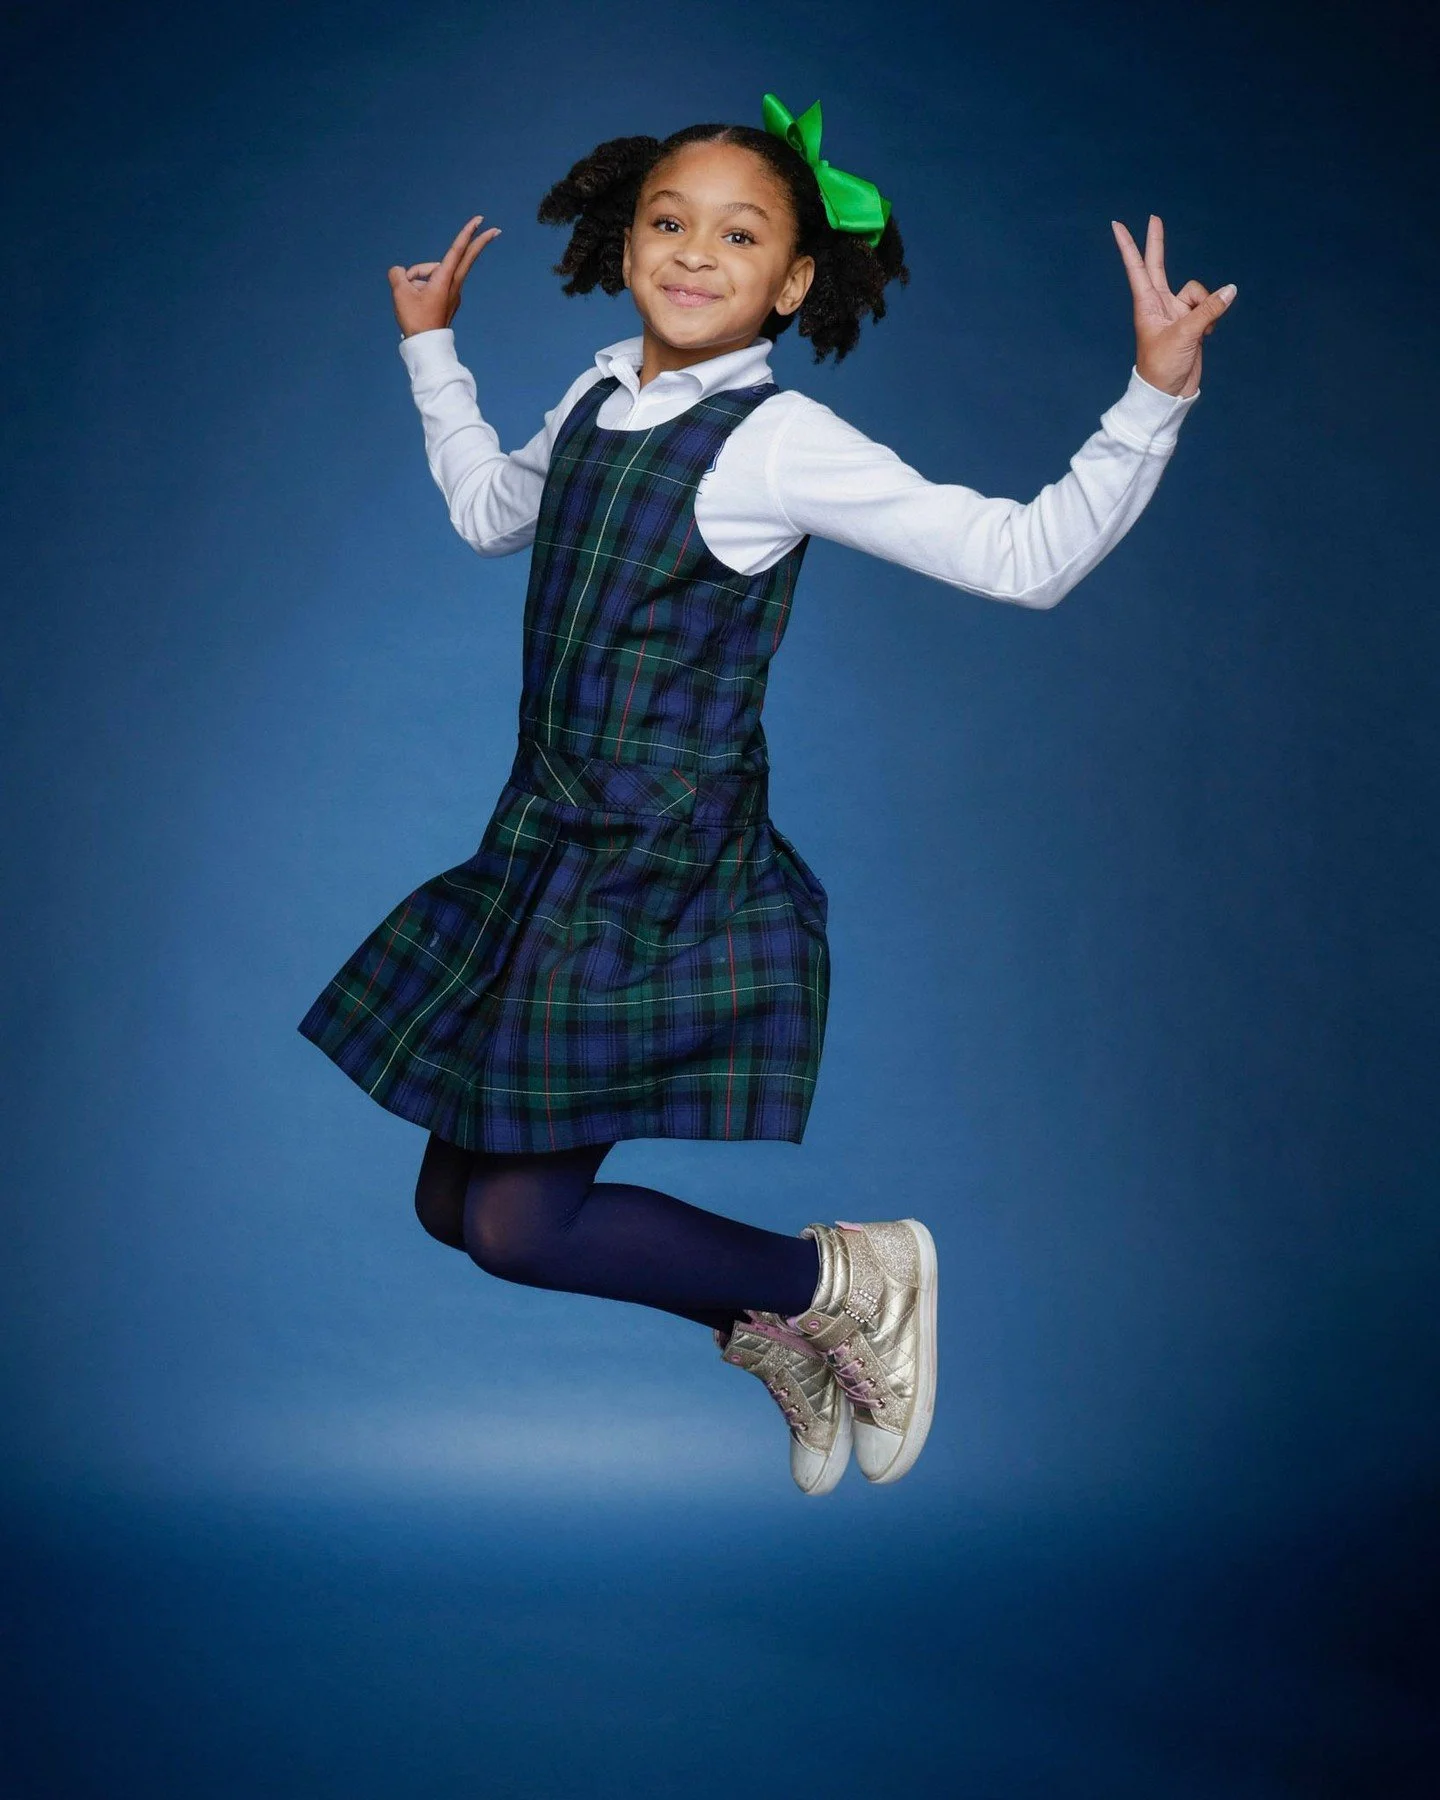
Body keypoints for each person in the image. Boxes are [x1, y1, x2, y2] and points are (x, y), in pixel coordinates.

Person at [297, 93, 1234, 1497]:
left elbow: (1025, 556)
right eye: (668, 223)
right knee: (453, 1207)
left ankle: (838, 1275)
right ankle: (787, 1324)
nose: (693, 252)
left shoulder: (779, 445)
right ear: (626, 243)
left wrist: (1150, 397)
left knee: (518, 1227)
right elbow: (495, 513)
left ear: (794, 283)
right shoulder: (599, 395)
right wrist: (432, 349)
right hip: (545, 843)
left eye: (739, 235)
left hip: (655, 872)